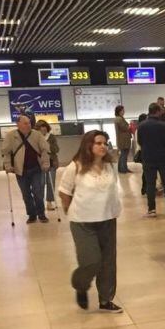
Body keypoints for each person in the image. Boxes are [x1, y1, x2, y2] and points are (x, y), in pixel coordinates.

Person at [58, 130, 123, 313]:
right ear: (89, 146)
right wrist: (70, 210)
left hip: (108, 219)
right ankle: (80, 285)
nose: (103, 146)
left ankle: (105, 299)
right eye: (98, 143)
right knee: (91, 261)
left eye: (105, 143)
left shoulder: (110, 165)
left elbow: (113, 189)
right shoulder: (75, 166)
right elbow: (64, 192)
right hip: (82, 221)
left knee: (108, 263)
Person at [1, 113, 51, 224]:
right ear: (18, 124)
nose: (28, 125)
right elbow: (6, 152)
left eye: (29, 123)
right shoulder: (11, 136)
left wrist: (46, 162)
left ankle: (41, 214)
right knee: (26, 193)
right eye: (25, 123)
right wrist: (8, 165)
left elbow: (45, 150)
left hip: (36, 169)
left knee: (38, 192)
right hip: (20, 170)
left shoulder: (37, 135)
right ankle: (32, 215)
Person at [136, 103, 165, 217]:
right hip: (163, 157)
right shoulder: (164, 126)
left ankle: (152, 210)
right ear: (157, 111)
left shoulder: (141, 126)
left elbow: (140, 141)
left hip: (147, 157)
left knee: (150, 184)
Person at [35, 120, 60, 212]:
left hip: (51, 163)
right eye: (41, 129)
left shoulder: (52, 137)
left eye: (45, 128)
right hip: (39, 164)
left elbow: (56, 149)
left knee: (50, 182)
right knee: (40, 183)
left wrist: (47, 146)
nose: (43, 130)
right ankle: (40, 202)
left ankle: (49, 201)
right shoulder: (35, 138)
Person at [113, 105, 131, 173]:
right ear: (119, 111)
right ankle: (123, 169)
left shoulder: (119, 118)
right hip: (123, 139)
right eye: (123, 110)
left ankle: (122, 168)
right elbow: (124, 128)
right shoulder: (119, 119)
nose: (124, 112)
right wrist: (130, 126)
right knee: (124, 154)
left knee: (123, 154)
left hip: (122, 138)